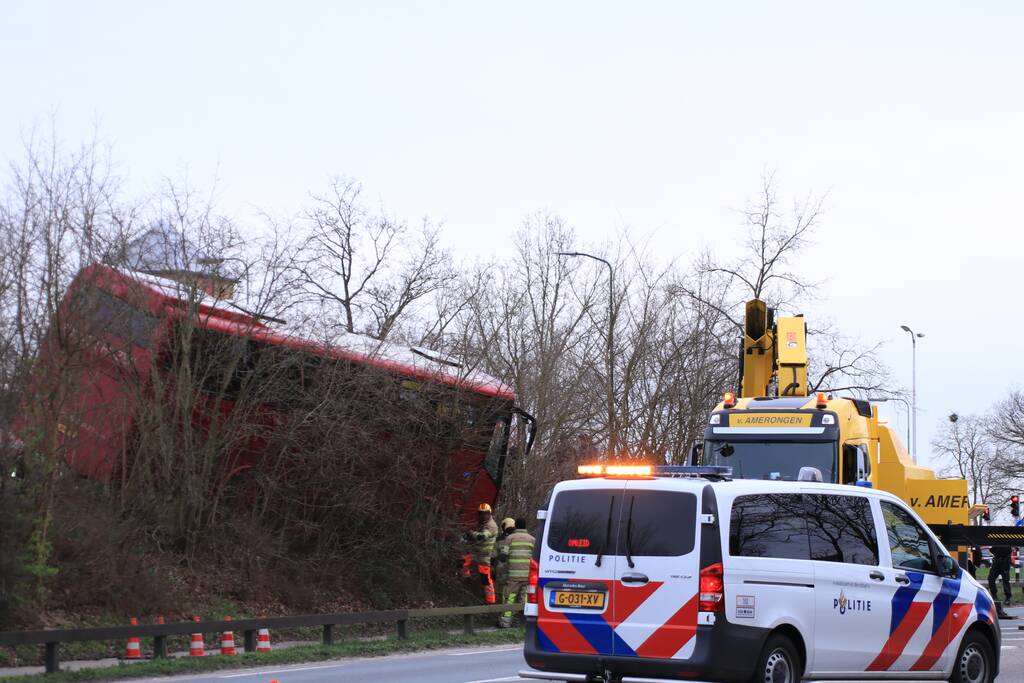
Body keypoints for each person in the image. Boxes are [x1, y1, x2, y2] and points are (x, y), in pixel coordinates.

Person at [498, 517, 535, 628]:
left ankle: (505, 623)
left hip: (513, 576)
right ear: (525, 527)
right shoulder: (532, 539)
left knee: (510, 598)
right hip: (528, 576)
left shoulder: (510, 538)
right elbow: (536, 557)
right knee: (525, 599)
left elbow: (503, 555)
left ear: (516, 526)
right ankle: (524, 623)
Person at [468, 503, 499, 603]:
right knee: (462, 561)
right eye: (481, 513)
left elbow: (482, 537)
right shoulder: (481, 523)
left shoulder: (491, 526)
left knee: (485, 579)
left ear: (489, 514)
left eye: (485, 513)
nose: (483, 515)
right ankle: (467, 580)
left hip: (485, 557)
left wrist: (471, 533)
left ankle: (491, 601)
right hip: (475, 553)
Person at [492, 518, 517, 610]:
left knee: (500, 594)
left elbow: (493, 556)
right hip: (516, 572)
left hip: (501, 572)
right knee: (513, 595)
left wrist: (493, 571)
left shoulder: (499, 540)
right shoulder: (518, 538)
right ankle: (510, 614)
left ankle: (500, 613)